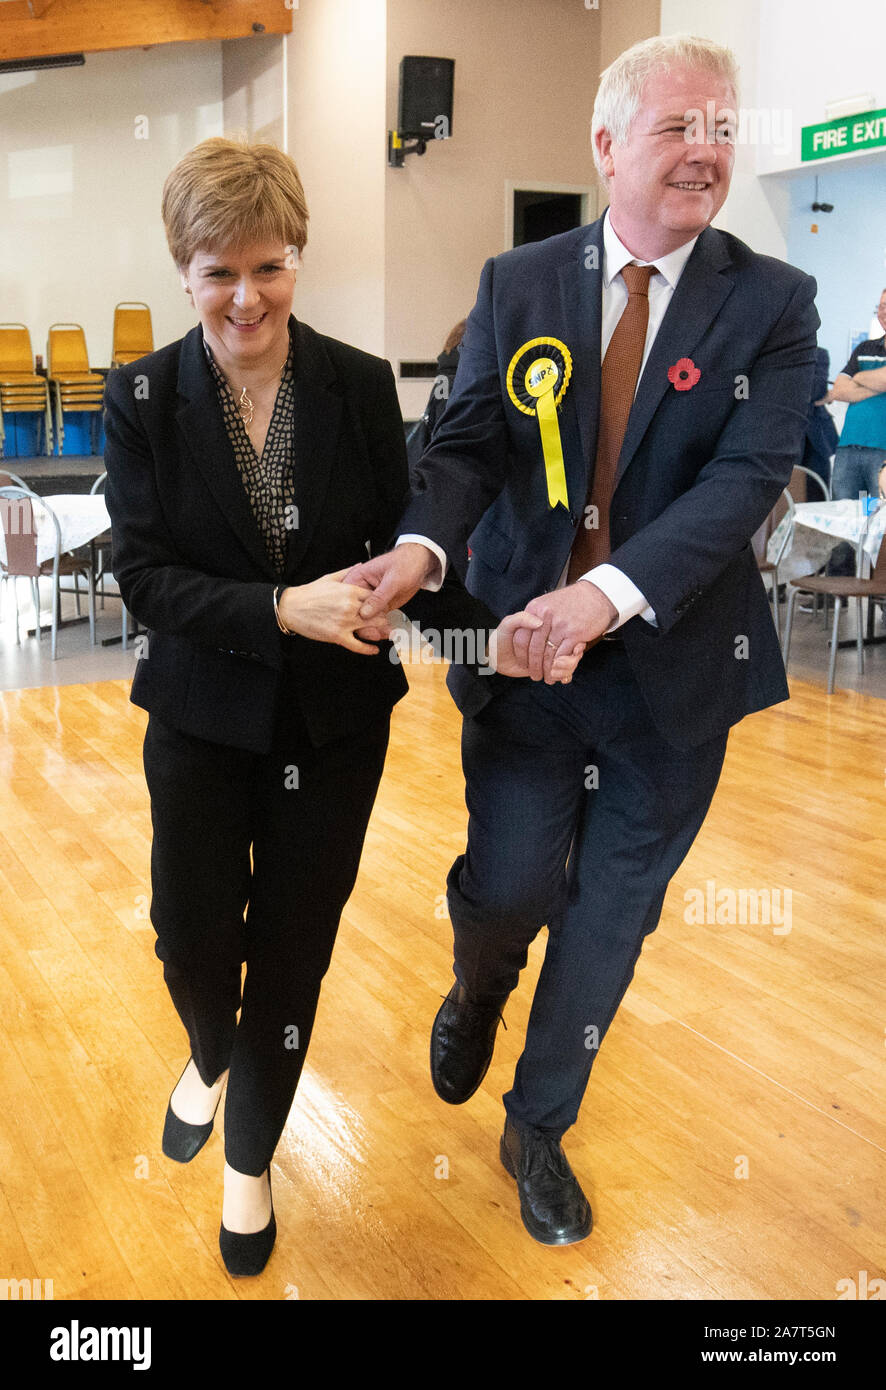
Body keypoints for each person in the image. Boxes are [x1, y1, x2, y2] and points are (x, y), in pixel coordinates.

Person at [346, 34, 819, 1246]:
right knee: (505, 887)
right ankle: (477, 982)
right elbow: (460, 449)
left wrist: (603, 593)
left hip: (670, 678)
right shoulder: (519, 283)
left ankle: (537, 1126)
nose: (706, 153)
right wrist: (422, 552)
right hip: (521, 663)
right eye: (678, 129)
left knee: (610, 919)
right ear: (606, 147)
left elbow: (746, 479)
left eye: (721, 129)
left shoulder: (772, 303)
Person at [103, 137, 408, 1277]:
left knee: (291, 950)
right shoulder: (141, 396)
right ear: (184, 269)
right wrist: (284, 607)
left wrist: (508, 612)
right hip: (197, 713)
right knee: (189, 936)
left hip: (334, 726)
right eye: (218, 271)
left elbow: (398, 538)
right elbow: (144, 577)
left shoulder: (360, 382)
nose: (246, 296)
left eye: (268, 267)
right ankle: (207, 1048)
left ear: (297, 257)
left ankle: (248, 1162)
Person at [822, 290, 886, 573]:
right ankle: (839, 591)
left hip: (883, 452)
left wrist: (858, 378)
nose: (883, 312)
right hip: (849, 448)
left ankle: (879, 595)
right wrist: (871, 382)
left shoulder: (862, 358)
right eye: (881, 307)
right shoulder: (865, 349)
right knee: (842, 519)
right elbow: (838, 390)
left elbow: (853, 384)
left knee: (881, 525)